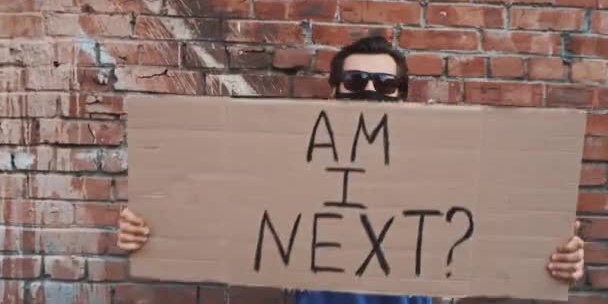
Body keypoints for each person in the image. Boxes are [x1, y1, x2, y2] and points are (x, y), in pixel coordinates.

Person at [117, 36, 585, 304]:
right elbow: (240, 248)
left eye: (385, 85)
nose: (370, 93)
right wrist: (155, 234)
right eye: (356, 81)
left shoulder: (442, 177)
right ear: (333, 92)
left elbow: (484, 273)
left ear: (402, 96)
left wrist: (550, 263)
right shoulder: (291, 175)